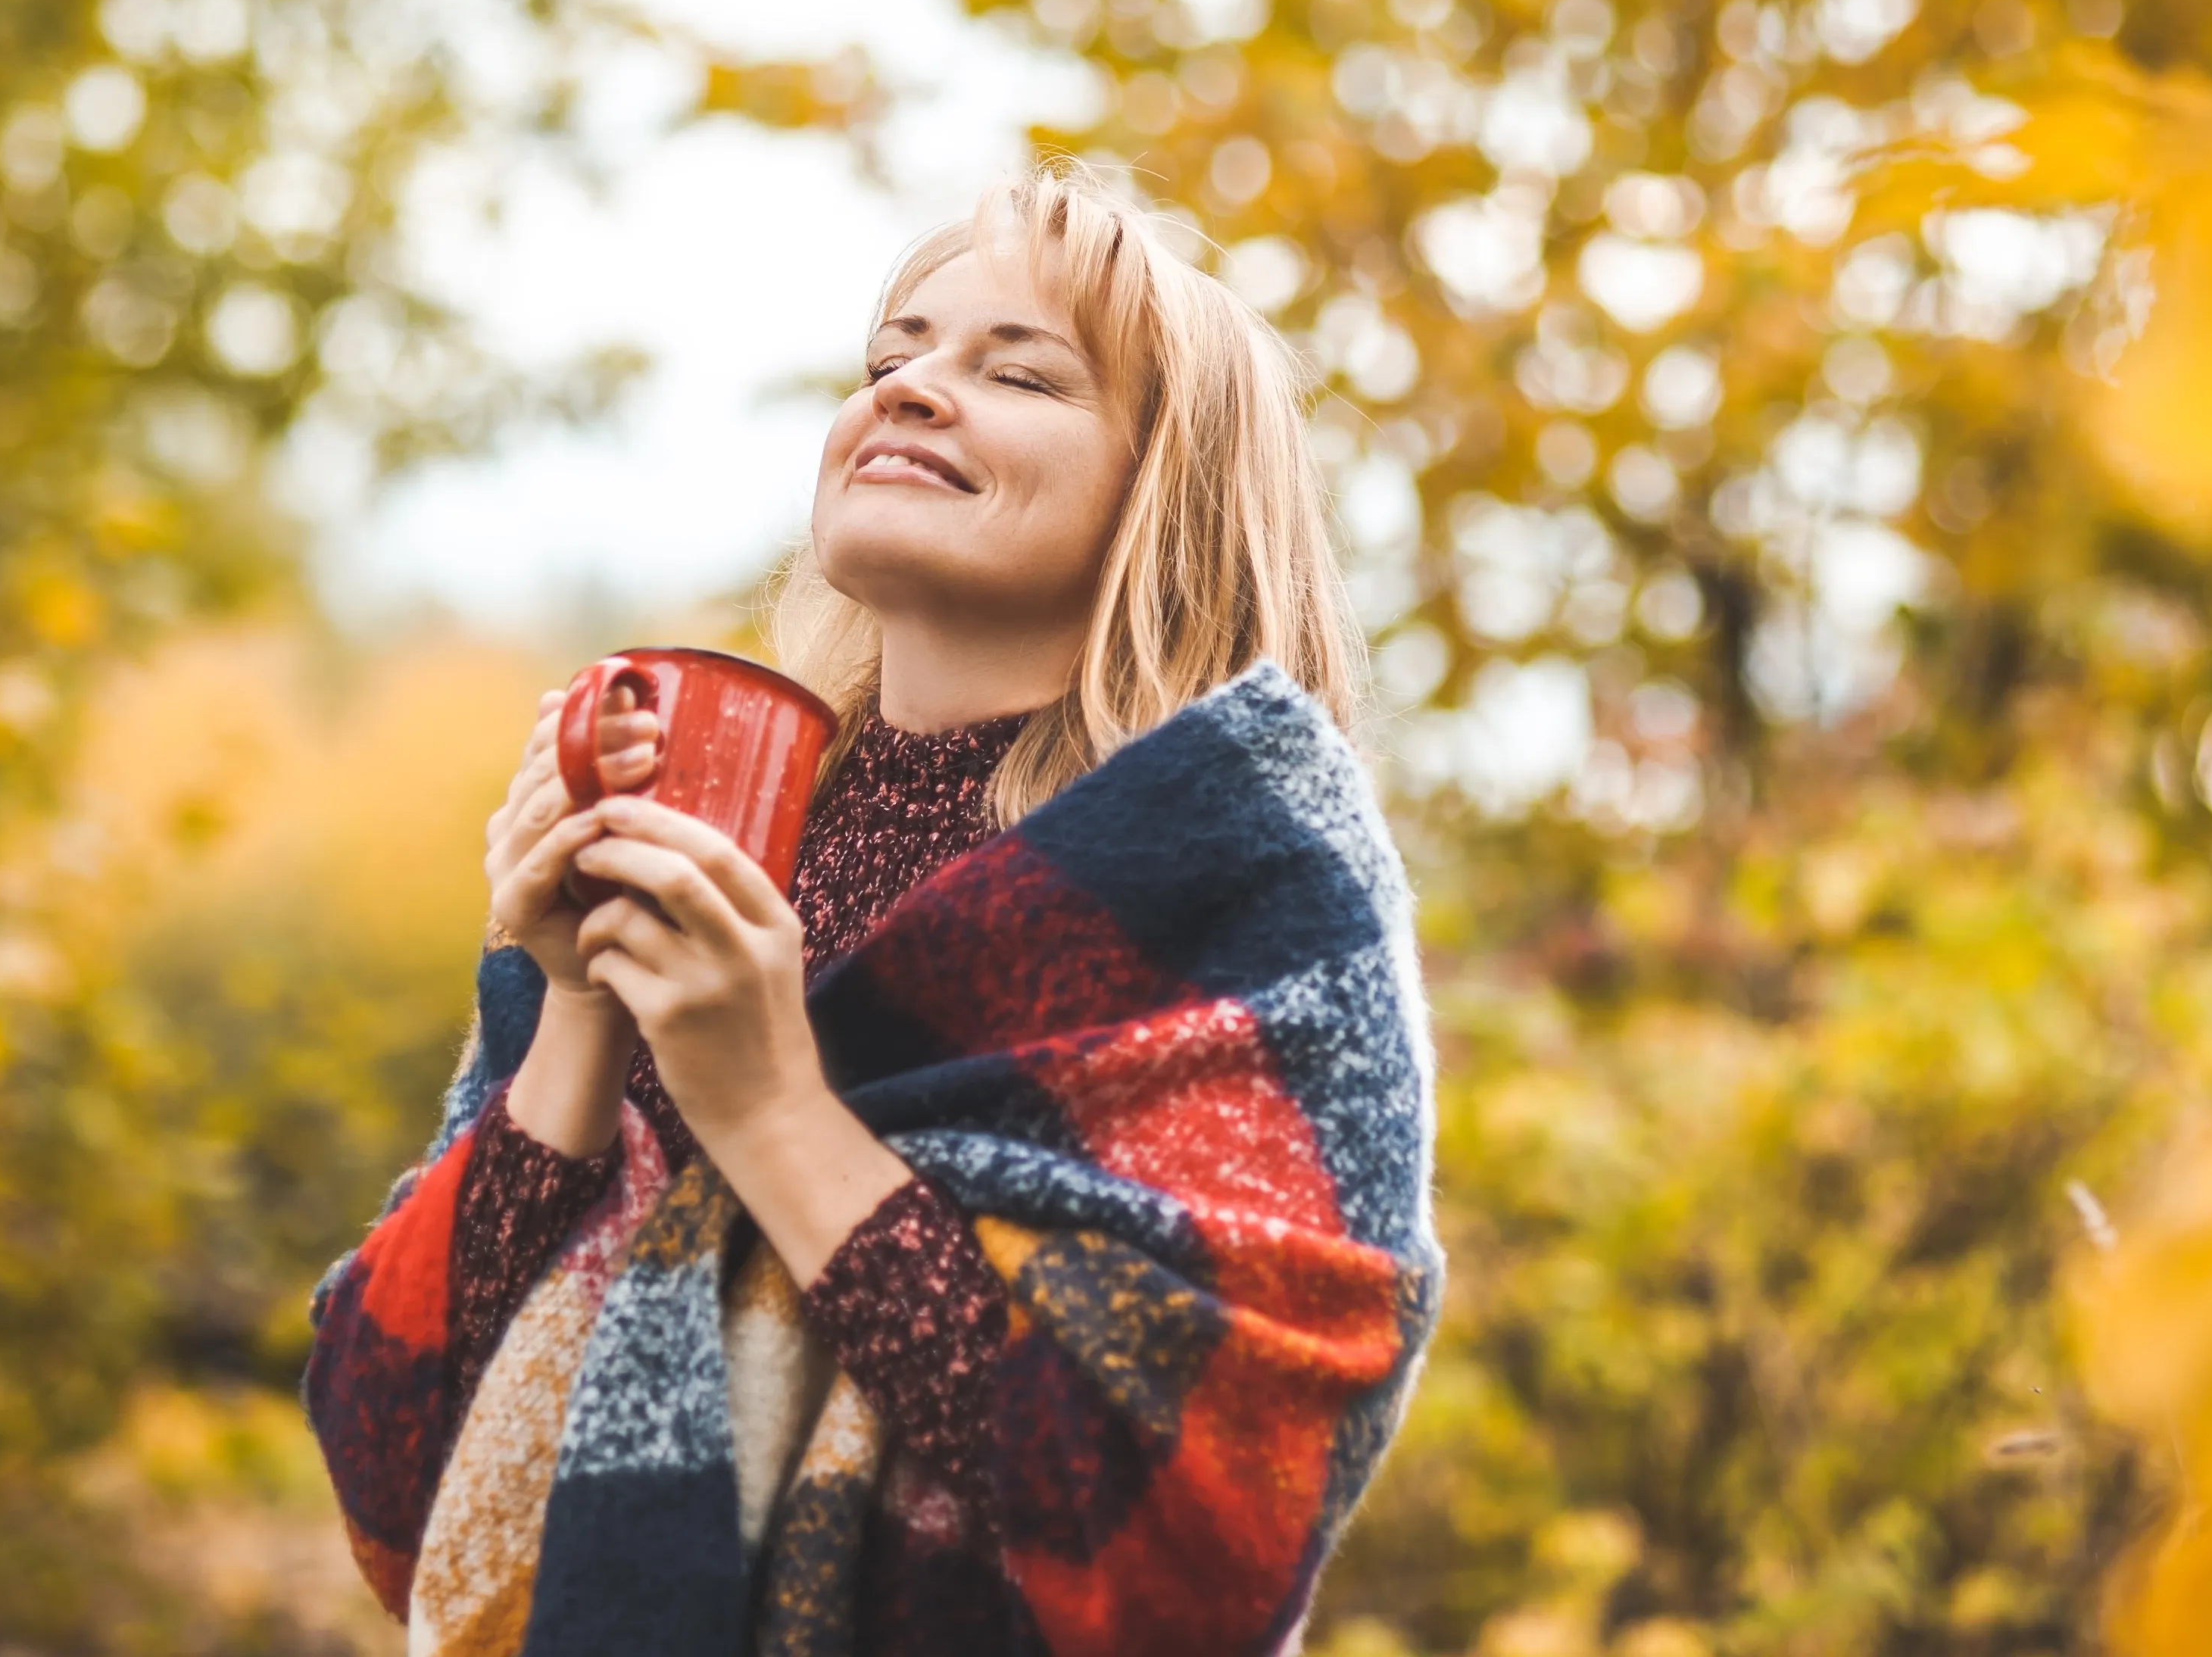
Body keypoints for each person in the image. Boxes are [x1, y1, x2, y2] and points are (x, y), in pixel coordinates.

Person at [304, 165, 1441, 1655]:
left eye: (1012, 369)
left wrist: (769, 1104)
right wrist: (573, 1003)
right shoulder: (712, 842)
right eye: (890, 357)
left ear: (1166, 486)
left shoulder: (1240, 888)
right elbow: (394, 1469)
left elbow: (1186, 1564)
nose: (910, 390)